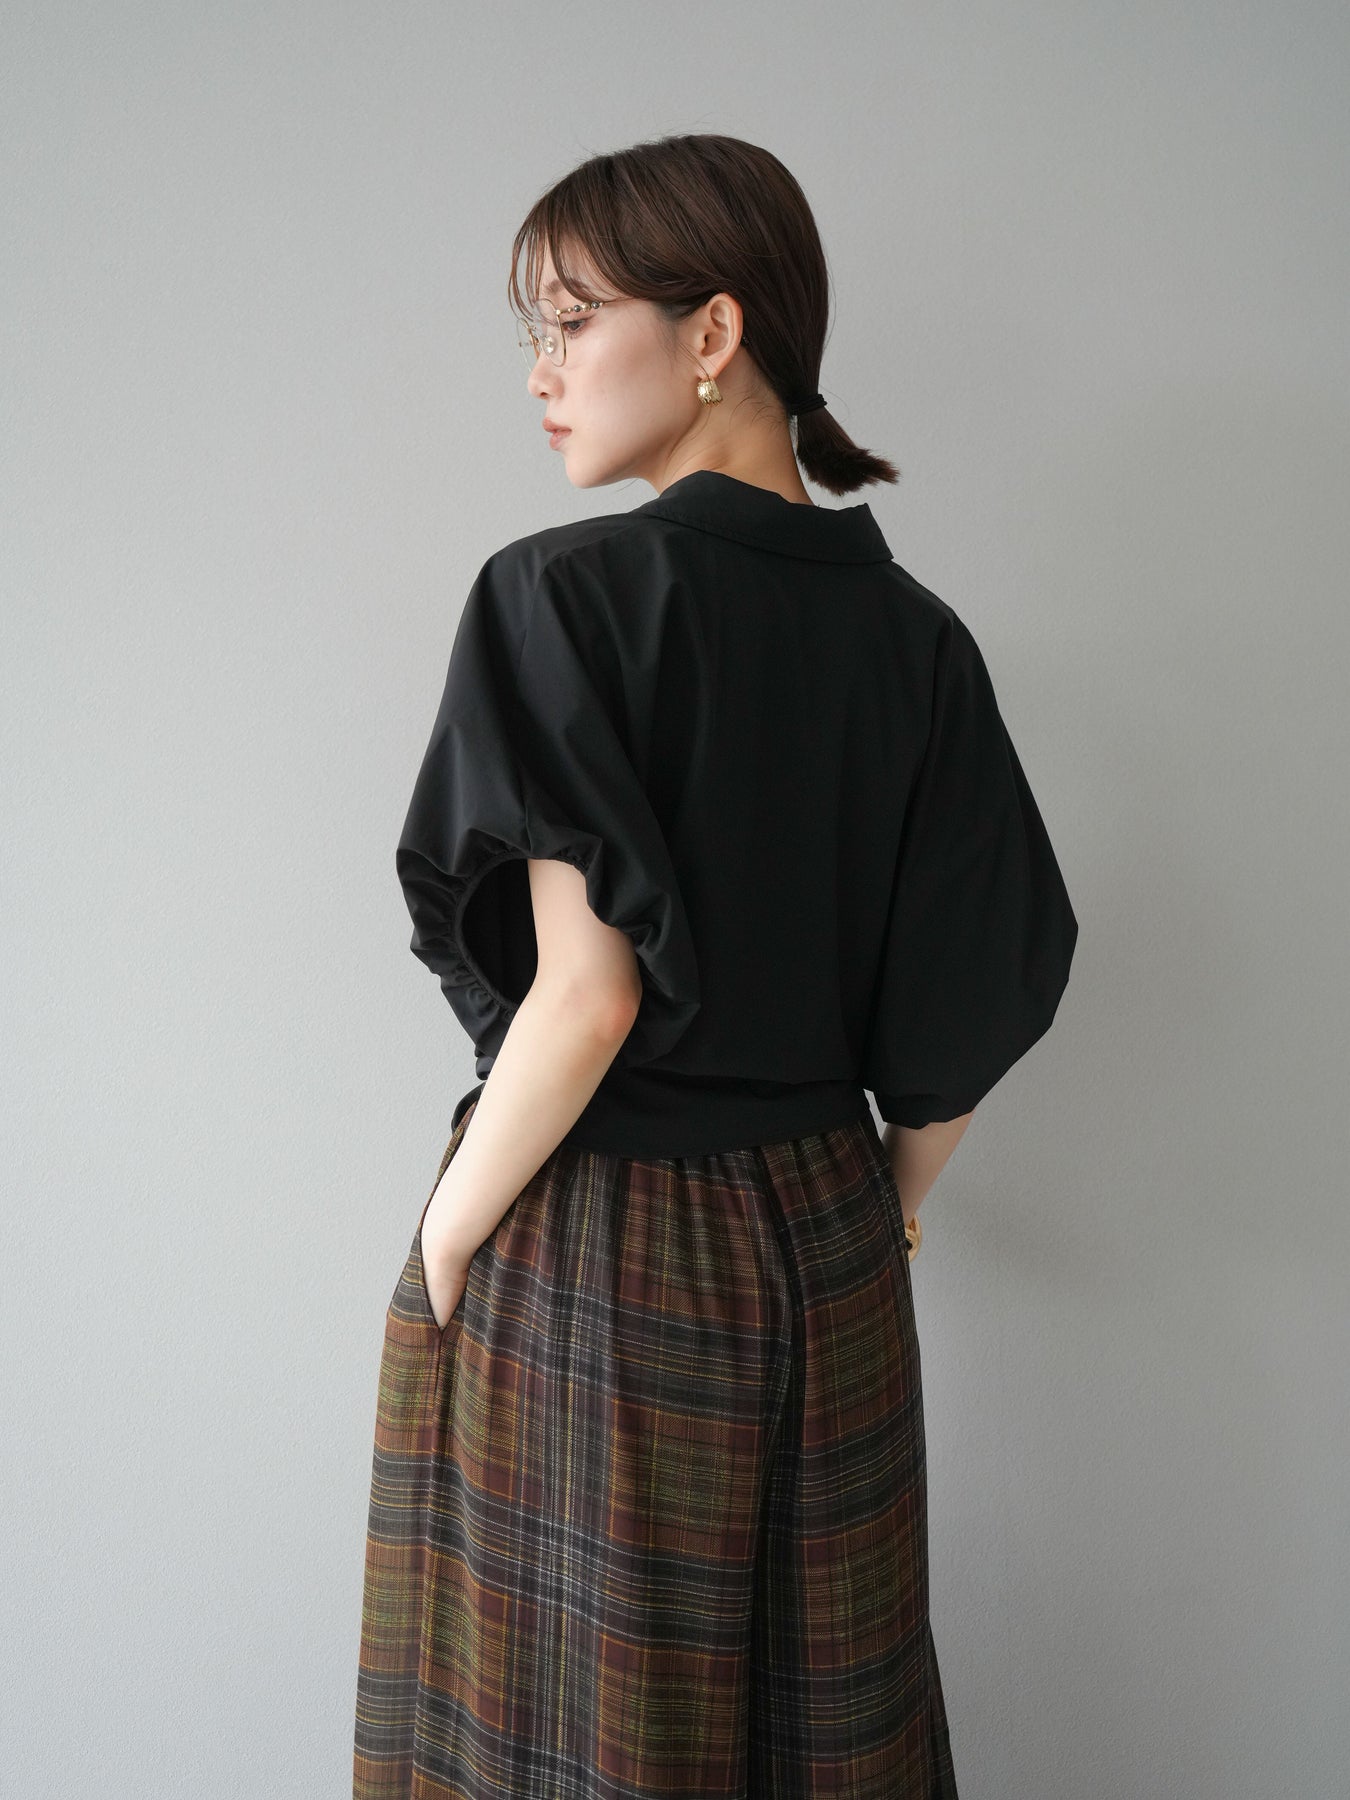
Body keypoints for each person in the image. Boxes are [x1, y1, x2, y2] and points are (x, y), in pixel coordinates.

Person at [352, 131, 1078, 1799]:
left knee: (578, 1737)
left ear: (712, 333)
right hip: (830, 1239)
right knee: (827, 1730)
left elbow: (587, 998)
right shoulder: (919, 641)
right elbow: (970, 1005)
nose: (538, 374)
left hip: (604, 1247)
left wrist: (443, 1244)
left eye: (570, 321)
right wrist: (881, 1206)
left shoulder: (563, 598)